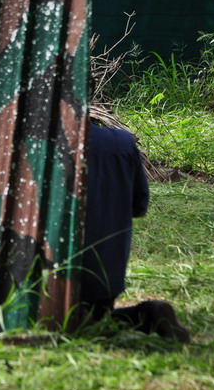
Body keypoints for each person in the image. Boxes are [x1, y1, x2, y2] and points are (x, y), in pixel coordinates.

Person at [81, 124, 190, 342]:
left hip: (54, 275)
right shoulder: (121, 142)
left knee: (64, 319)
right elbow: (139, 206)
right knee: (96, 316)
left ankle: (84, 319)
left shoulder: (36, 144)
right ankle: (148, 315)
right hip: (107, 276)